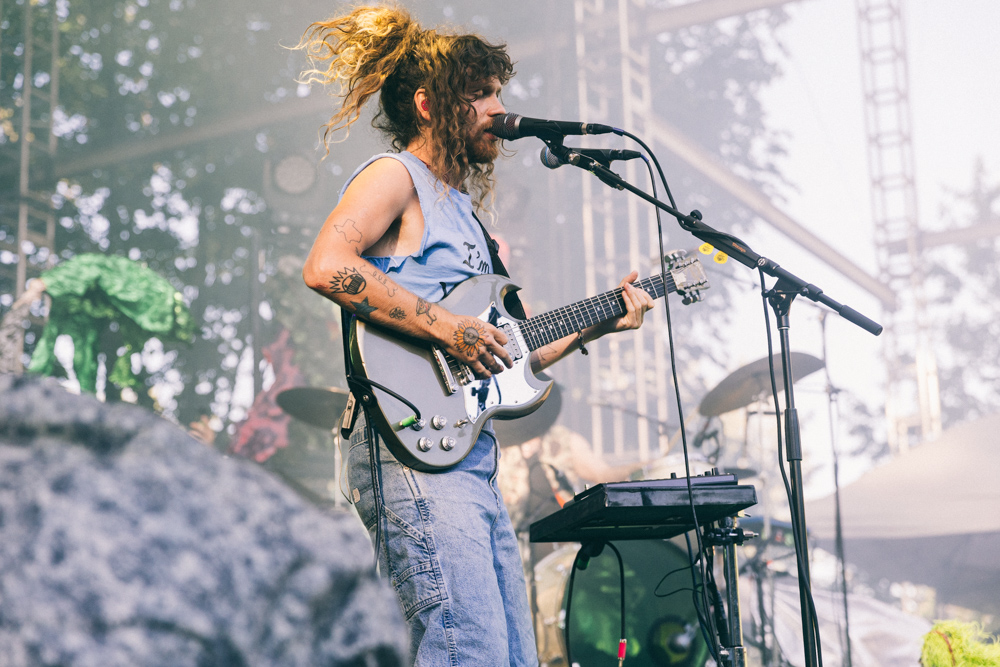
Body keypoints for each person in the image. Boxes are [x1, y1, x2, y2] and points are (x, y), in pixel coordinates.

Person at [298, 6, 654, 666]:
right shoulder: (395, 176)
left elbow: (505, 349)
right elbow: (327, 265)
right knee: (466, 652)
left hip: (472, 457)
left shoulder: (467, 216)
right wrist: (448, 328)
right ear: (430, 103)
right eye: (480, 94)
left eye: (498, 93)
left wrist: (597, 323)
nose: (497, 108)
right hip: (413, 453)